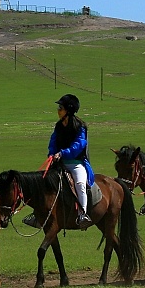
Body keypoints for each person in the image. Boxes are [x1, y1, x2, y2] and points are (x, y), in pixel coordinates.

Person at [49, 94, 94, 227]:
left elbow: (79, 145)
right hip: (59, 163)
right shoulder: (58, 126)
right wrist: (52, 154)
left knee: (80, 184)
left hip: (76, 164)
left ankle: (82, 214)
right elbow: (53, 142)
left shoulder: (80, 127)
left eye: (60, 108)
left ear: (68, 110)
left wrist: (62, 153)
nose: (58, 110)